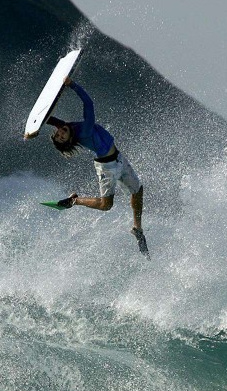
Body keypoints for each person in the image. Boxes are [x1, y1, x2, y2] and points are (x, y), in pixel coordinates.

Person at [46, 77, 149, 258]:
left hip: (119, 159)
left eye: (59, 133)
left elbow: (53, 120)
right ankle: (74, 200)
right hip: (107, 167)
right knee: (105, 205)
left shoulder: (68, 128)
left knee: (138, 190)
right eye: (62, 136)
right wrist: (72, 85)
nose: (61, 131)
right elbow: (88, 103)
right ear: (69, 141)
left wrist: (39, 124)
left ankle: (137, 228)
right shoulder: (83, 131)